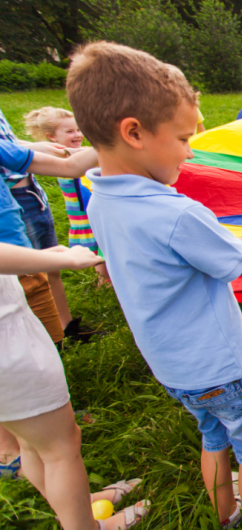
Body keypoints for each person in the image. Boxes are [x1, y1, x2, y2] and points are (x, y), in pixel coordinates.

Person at [67, 42, 242, 530]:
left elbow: (217, 246)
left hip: (176, 369)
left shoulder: (101, 199)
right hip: (227, 366)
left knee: (213, 439)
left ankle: (224, 516)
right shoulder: (177, 212)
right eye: (183, 139)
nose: (189, 150)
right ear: (134, 132)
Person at [0, 137, 146, 530]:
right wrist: (54, 258)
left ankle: (79, 504)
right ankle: (89, 525)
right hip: (6, 336)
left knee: (33, 441)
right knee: (61, 447)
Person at [2, 107, 102, 341]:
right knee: (27, 281)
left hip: (31, 197)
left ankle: (63, 329)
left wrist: (32, 147)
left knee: (45, 274)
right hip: (14, 208)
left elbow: (70, 166)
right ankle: (45, 339)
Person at [24, 107, 110, 284]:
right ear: (51, 137)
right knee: (99, 249)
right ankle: (103, 282)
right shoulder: (61, 157)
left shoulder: (73, 153)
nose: (78, 134)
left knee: (101, 248)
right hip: (83, 214)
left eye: (78, 129)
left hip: (87, 210)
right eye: (70, 131)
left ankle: (104, 280)